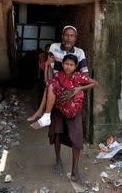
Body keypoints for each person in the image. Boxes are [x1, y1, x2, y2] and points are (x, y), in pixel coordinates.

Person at [32, 54, 97, 185]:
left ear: (75, 66)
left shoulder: (78, 76)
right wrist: (46, 65)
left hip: (73, 112)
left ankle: (75, 172)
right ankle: (58, 160)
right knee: (57, 134)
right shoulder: (58, 75)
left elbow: (95, 83)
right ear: (62, 64)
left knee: (77, 140)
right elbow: (47, 82)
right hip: (58, 109)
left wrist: (80, 88)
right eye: (66, 64)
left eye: (71, 65)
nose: (68, 67)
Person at [27, 25, 88, 121]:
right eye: (67, 35)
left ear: (75, 38)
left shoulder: (79, 52)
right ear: (62, 36)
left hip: (72, 86)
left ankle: (41, 112)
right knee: (50, 86)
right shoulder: (54, 47)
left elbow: (85, 74)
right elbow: (51, 66)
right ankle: (43, 113)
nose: (69, 38)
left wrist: (76, 89)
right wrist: (52, 82)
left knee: (73, 120)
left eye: (72, 36)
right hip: (58, 82)